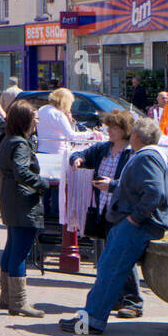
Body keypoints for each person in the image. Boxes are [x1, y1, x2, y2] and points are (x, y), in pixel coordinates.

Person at [59, 118, 168, 336]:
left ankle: (91, 321)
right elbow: (145, 190)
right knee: (109, 269)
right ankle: (91, 318)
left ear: (136, 136)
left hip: (136, 225)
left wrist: (134, 219)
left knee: (110, 269)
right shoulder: (148, 155)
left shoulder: (147, 157)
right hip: (132, 223)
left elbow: (155, 193)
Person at [70, 109, 141, 317]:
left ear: (124, 130)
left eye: (114, 127)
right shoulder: (103, 149)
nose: (109, 130)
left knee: (122, 257)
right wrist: (77, 159)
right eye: (108, 126)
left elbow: (134, 183)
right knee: (107, 258)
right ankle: (115, 298)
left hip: (122, 212)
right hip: (103, 211)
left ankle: (133, 301)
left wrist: (112, 186)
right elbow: (82, 154)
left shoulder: (132, 153)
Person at [0, 98, 51, 317]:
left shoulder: (7, 139)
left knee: (11, 247)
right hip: (23, 202)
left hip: (10, 199)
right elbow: (21, 171)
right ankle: (18, 302)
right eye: (34, 118)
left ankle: (6, 297)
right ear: (25, 120)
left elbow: (1, 165)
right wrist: (43, 184)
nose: (37, 122)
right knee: (20, 251)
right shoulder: (19, 144)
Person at [35, 88, 78, 157]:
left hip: (42, 150)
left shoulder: (42, 109)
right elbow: (70, 135)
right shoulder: (58, 115)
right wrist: (90, 135)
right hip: (58, 153)